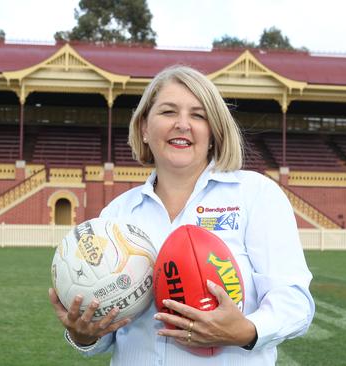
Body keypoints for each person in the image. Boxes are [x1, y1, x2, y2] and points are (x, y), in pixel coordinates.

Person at [49, 65, 315, 365]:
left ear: (214, 132)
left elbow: (295, 303)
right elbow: (109, 334)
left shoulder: (256, 195)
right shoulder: (117, 215)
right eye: (168, 112)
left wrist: (246, 330)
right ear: (144, 129)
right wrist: (85, 333)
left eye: (198, 115)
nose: (183, 124)